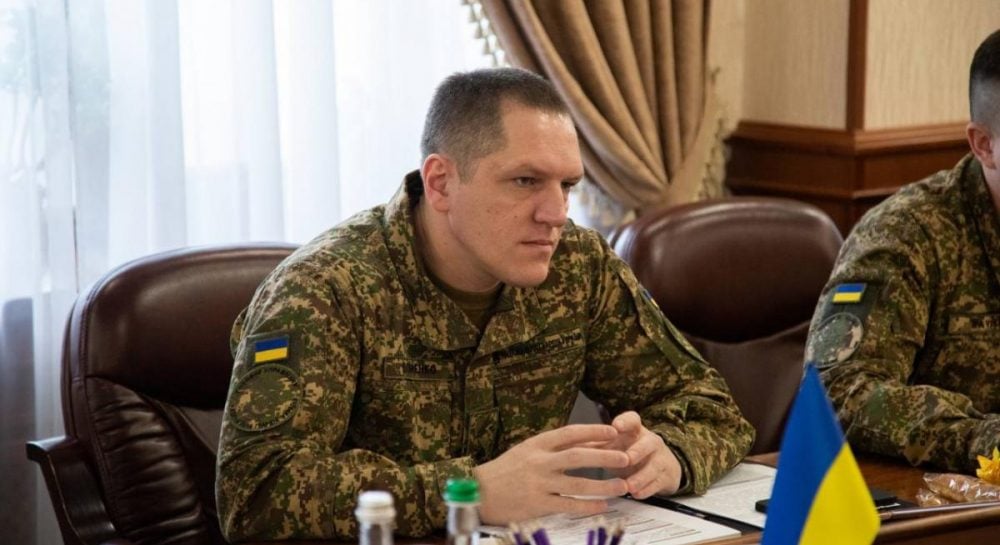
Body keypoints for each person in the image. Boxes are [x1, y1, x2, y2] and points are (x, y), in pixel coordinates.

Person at [215, 67, 753, 541]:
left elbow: (711, 408)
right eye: (525, 181)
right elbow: (254, 492)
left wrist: (670, 454)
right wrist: (466, 491)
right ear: (441, 182)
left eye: (567, 185)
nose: (556, 214)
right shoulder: (325, 287)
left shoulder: (579, 266)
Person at [805, 29, 1000, 474]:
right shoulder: (907, 234)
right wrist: (984, 439)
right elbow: (839, 392)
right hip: (933, 497)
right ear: (984, 145)